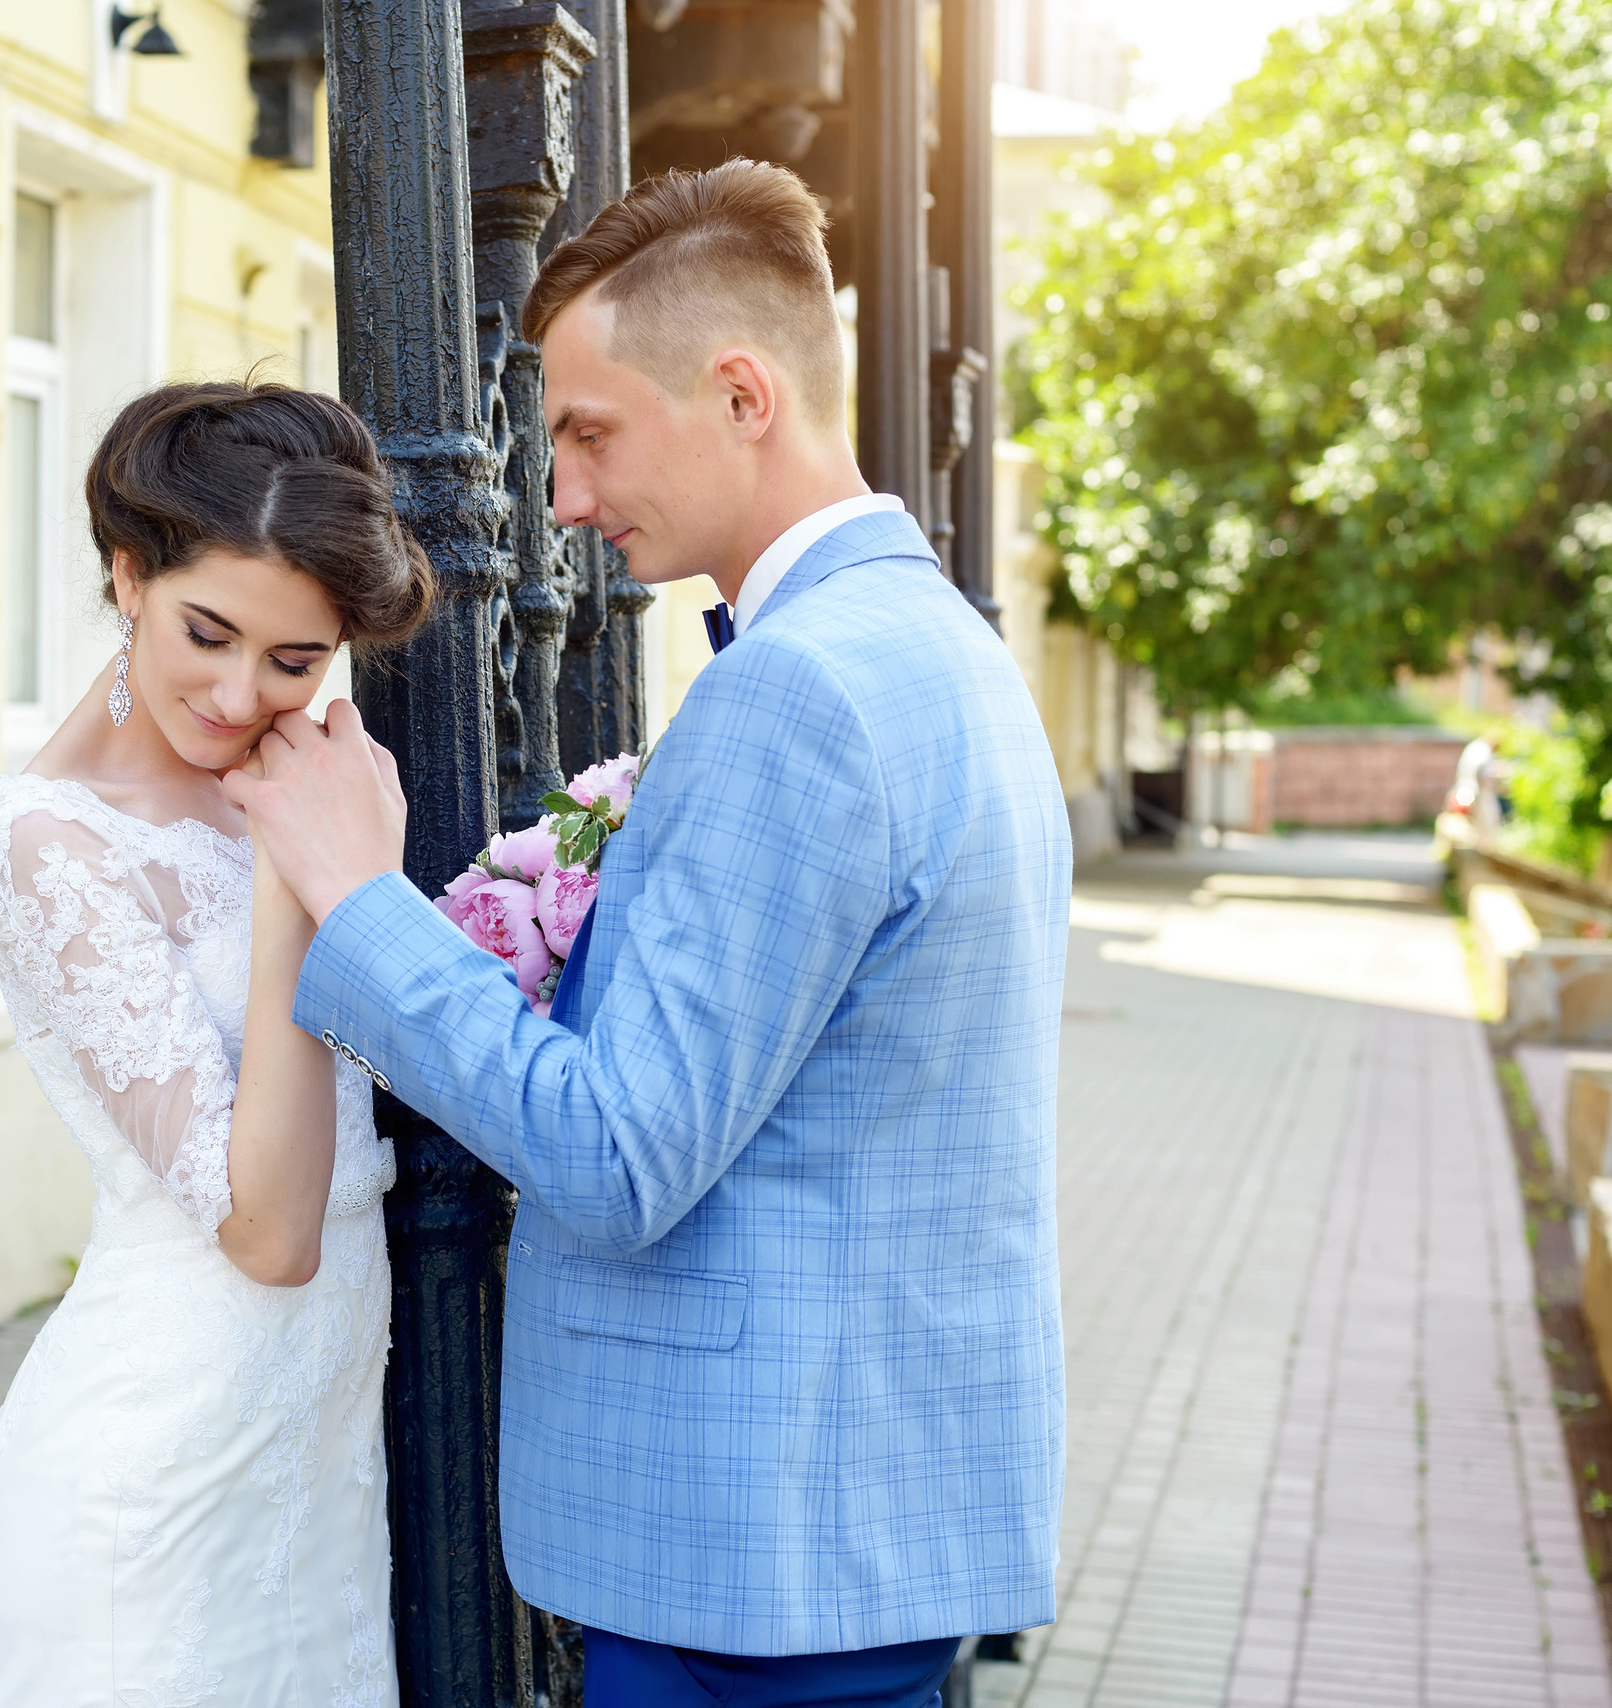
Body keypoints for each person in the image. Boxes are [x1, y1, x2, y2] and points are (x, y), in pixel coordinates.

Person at [227, 162, 1071, 1706]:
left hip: (752, 1571)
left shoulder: (799, 693)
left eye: (588, 433)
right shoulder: (943, 646)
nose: (562, 499)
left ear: (742, 392)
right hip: (850, 1528)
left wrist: (360, 905)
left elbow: (621, 1159)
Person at [0, 381, 432, 1705]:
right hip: (149, 1499)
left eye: (294, 661)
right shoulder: (54, 845)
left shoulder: (305, 779)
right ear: (129, 576)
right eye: (207, 633)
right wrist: (306, 884)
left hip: (316, 1478)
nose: (238, 696)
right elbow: (269, 1236)